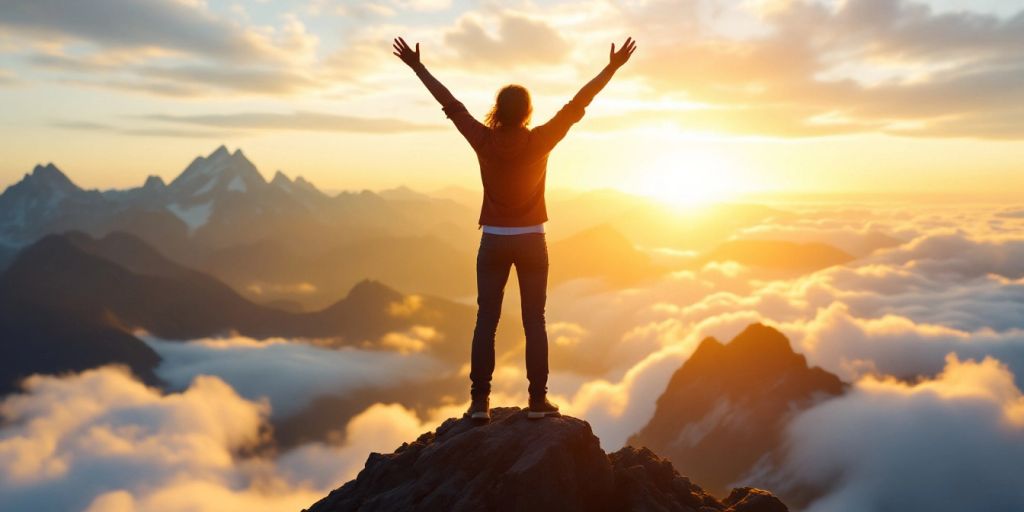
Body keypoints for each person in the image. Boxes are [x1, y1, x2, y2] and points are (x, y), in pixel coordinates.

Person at [393, 36, 637, 421]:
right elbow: (578, 103)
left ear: (497, 111)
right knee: (534, 321)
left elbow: (450, 104)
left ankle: (478, 404)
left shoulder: (483, 140)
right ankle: (537, 402)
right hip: (532, 241)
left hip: (492, 241)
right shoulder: (541, 139)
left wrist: (418, 67)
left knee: (485, 321)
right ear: (526, 112)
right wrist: (611, 68)